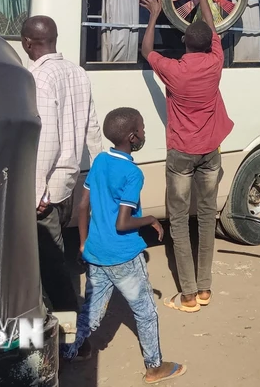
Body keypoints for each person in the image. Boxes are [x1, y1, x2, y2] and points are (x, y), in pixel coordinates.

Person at [63, 108, 187, 383]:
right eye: (142, 129)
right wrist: (151, 218)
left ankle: (63, 354)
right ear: (132, 137)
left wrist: (83, 244)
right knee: (145, 312)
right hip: (123, 257)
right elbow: (123, 222)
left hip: (96, 252)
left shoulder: (100, 161)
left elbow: (83, 206)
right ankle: (155, 367)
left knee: (91, 314)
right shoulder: (132, 173)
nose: (144, 133)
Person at [140, 0, 233, 313]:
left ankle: (189, 295)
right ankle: (205, 289)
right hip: (210, 152)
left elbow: (146, 48)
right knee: (207, 217)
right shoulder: (215, 62)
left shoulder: (173, 70)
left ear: (183, 42)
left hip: (181, 153)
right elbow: (209, 27)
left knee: (178, 220)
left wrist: (154, 17)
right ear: (208, 42)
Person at [22, 15, 103, 314]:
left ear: (27, 43)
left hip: (46, 190)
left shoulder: (39, 78)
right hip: (68, 182)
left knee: (51, 265)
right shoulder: (77, 72)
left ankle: (71, 336)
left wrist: (37, 192)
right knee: (55, 259)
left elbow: (47, 140)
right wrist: (98, 170)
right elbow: (91, 127)